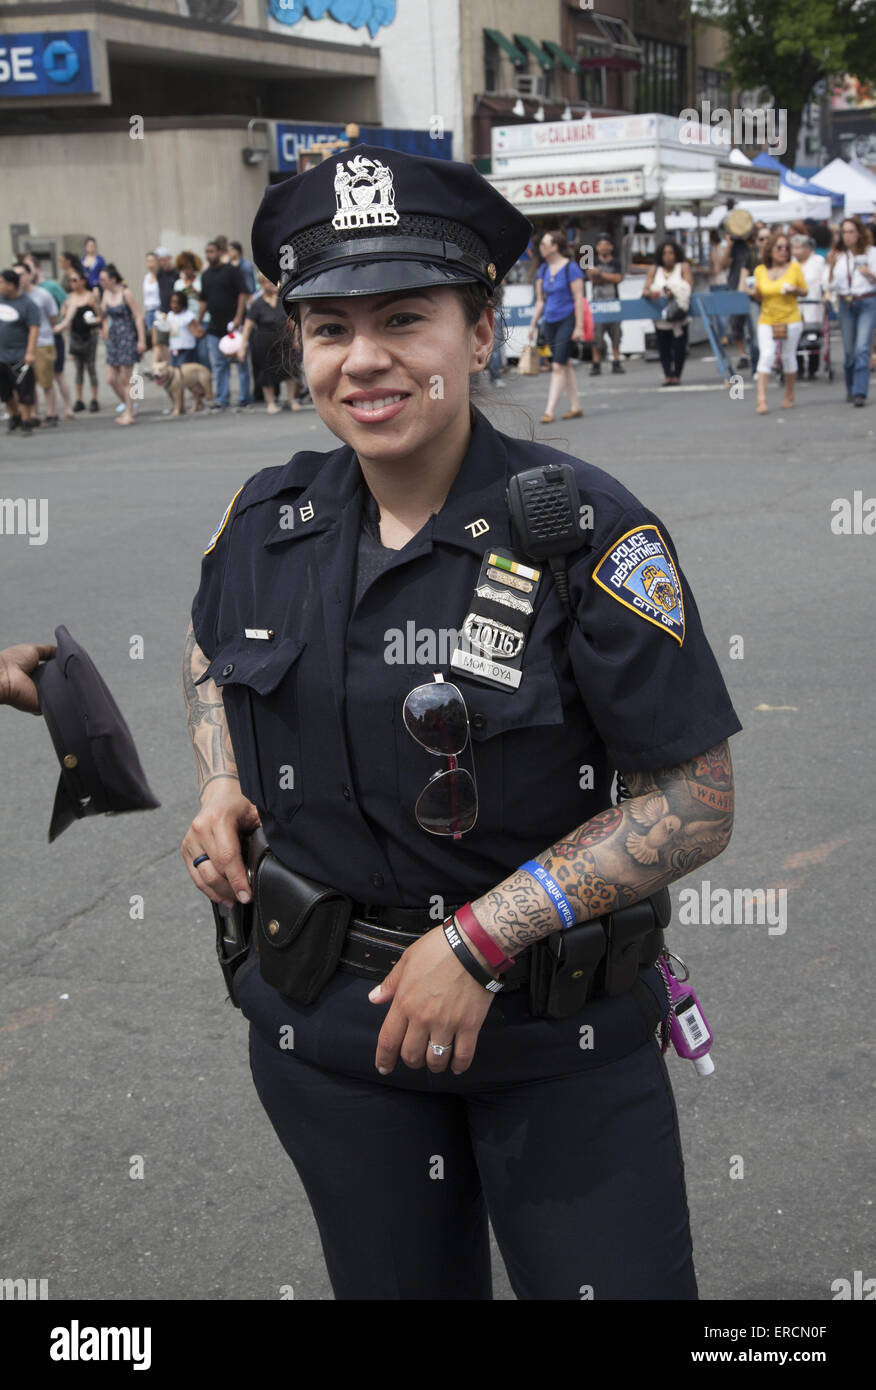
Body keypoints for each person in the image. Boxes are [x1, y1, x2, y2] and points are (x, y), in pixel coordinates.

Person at [180, 143, 741, 1302]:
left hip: (555, 1044)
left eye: (404, 318)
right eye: (330, 326)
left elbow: (694, 798)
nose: (364, 359)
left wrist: (478, 942)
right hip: (330, 1042)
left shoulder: (588, 530)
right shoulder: (262, 520)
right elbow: (208, 655)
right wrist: (222, 777)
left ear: (480, 333)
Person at [526, 230, 586, 423]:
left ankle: (549, 410)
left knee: (558, 365)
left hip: (567, 319)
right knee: (565, 363)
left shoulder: (571, 268)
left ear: (555, 246)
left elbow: (579, 299)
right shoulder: (543, 270)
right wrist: (533, 324)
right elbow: (540, 301)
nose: (541, 248)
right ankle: (575, 406)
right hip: (550, 321)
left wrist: (579, 326)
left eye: (544, 244)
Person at [748, 229, 806, 415]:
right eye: (779, 247)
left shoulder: (794, 268)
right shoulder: (760, 270)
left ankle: (789, 394)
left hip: (790, 318)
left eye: (786, 248)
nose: (783, 251)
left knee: (789, 356)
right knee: (767, 354)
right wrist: (753, 292)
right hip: (768, 318)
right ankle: (761, 398)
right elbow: (759, 295)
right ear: (770, 249)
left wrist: (794, 290)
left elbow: (804, 291)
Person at [825, 215, 876, 406]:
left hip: (867, 301)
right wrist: (830, 266)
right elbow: (830, 285)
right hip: (846, 302)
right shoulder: (839, 256)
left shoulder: (872, 253)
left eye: (851, 232)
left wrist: (870, 274)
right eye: (844, 232)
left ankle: (860, 392)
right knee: (849, 353)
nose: (847, 236)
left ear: (860, 233)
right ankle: (851, 387)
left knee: (862, 347)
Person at [194, 241, 250, 412]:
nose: (208, 255)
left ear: (219, 252)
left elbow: (242, 293)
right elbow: (203, 300)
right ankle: (222, 399)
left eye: (211, 251)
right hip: (214, 327)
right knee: (219, 365)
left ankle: (244, 398)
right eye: (206, 252)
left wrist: (239, 317)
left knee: (240, 362)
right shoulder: (205, 275)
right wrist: (199, 321)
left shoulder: (232, 271)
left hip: (233, 326)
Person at [22, 253, 76, 422]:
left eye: (29, 268)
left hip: (51, 338)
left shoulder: (50, 287)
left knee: (57, 375)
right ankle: (35, 413)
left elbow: (69, 303)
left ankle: (68, 407)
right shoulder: (20, 292)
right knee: (33, 379)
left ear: (36, 269)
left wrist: (63, 323)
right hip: (30, 343)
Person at [240, 272, 303, 412]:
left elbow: (293, 322)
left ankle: (292, 400)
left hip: (283, 339)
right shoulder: (257, 304)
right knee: (266, 372)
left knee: (290, 369)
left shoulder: (282, 300)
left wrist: (297, 339)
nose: (273, 284)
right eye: (269, 282)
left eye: (274, 282)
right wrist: (242, 346)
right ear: (262, 285)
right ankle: (271, 403)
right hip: (264, 343)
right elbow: (248, 326)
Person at [97, 264, 146, 426]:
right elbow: (103, 315)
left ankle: (129, 412)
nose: (101, 282)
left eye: (104, 279)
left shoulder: (126, 293)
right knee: (111, 378)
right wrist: (103, 328)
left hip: (126, 335)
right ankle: (128, 404)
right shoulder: (105, 294)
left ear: (112, 279)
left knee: (127, 377)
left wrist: (141, 340)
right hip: (113, 337)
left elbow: (138, 316)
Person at [13, 259, 59, 426]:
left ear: (30, 275)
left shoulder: (42, 294)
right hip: (22, 346)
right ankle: (33, 414)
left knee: (46, 381)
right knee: (27, 383)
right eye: (15, 275)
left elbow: (53, 317)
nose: (19, 278)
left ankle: (51, 413)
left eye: (21, 274)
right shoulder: (14, 297)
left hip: (43, 342)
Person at [644, 240, 694, 385]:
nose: (668, 256)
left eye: (671, 253)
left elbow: (688, 286)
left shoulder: (683, 267)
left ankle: (677, 374)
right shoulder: (654, 269)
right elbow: (646, 288)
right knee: (663, 346)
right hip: (661, 315)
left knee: (679, 346)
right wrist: (651, 293)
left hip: (678, 313)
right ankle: (668, 374)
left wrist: (673, 290)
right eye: (665, 253)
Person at [0, 268, 40, 436]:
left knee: (24, 390)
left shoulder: (27, 304)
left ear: (11, 285)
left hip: (19, 356)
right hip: (1, 356)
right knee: (5, 392)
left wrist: (30, 353)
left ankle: (26, 420)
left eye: (1, 283)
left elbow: (33, 329)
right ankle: (14, 416)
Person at [56, 268, 101, 413]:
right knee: (78, 369)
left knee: (91, 367)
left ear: (83, 281)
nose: (73, 283)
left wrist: (94, 322)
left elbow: (100, 316)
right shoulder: (68, 298)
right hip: (76, 336)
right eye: (71, 281)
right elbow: (63, 318)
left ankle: (94, 399)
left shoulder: (91, 297)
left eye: (75, 280)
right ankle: (79, 399)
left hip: (90, 335)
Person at [586, 234, 624, 376]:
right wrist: (606, 277)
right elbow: (592, 278)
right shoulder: (592, 261)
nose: (604, 247)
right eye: (601, 244)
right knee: (597, 336)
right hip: (597, 304)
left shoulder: (616, 262)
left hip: (613, 303)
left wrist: (600, 274)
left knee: (616, 334)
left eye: (606, 244)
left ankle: (616, 361)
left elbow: (618, 278)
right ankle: (596, 364)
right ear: (597, 248)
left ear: (611, 246)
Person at [790, 233, 827, 380]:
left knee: (812, 336)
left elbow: (824, 281)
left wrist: (826, 295)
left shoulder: (818, 261)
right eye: (794, 248)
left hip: (814, 303)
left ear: (807, 248)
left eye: (799, 248)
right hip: (795, 304)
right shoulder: (791, 263)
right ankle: (797, 367)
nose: (796, 251)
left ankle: (813, 367)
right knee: (795, 336)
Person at [167, 290, 198, 367]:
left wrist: (199, 332)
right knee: (174, 370)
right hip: (174, 348)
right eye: (172, 302)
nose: (175, 305)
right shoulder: (170, 315)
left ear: (182, 303)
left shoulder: (188, 315)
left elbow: (195, 331)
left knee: (182, 372)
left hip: (186, 348)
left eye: (177, 302)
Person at [142, 252, 162, 339]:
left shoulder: (161, 276)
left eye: (152, 261)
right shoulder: (146, 277)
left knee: (159, 339)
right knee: (152, 338)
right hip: (149, 310)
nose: (150, 264)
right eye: (148, 261)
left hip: (158, 309)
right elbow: (146, 296)